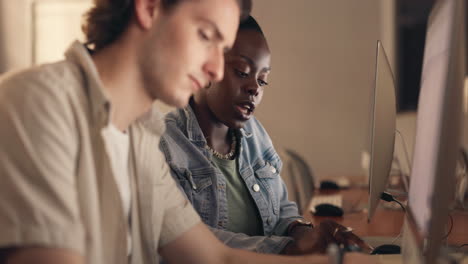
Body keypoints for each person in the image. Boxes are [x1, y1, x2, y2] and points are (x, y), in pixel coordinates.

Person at [0, 0, 376, 263]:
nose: (214, 69)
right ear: (149, 7)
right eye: (205, 35)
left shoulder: (140, 140)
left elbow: (219, 258)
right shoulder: (38, 102)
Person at [160, 15, 372, 255]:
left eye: (263, 80)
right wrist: (290, 248)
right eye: (242, 72)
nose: (255, 88)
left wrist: (305, 232)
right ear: (206, 67)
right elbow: (192, 244)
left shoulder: (253, 134)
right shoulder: (165, 147)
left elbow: (281, 209)